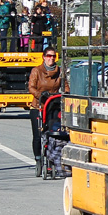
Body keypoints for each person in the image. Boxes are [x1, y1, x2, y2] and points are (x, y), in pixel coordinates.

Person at [28, 48, 67, 176]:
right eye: (49, 56)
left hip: (52, 106)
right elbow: (31, 87)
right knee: (38, 135)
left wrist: (65, 94)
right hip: (38, 106)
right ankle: (38, 159)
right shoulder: (36, 71)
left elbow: (66, 86)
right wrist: (41, 95)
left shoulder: (59, 71)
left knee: (53, 133)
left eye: (53, 56)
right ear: (44, 57)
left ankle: (52, 157)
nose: (51, 58)